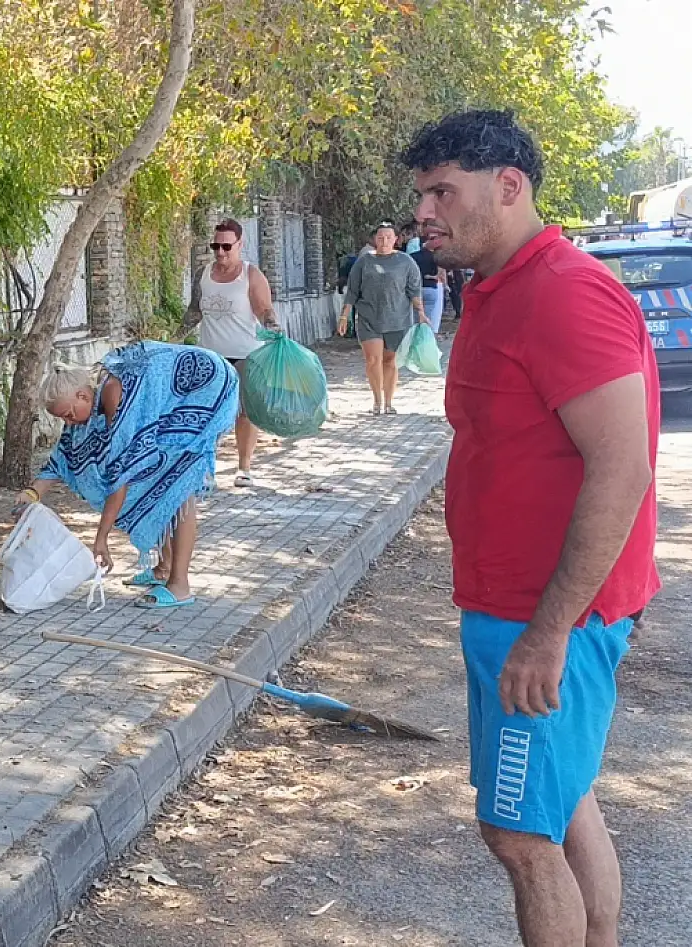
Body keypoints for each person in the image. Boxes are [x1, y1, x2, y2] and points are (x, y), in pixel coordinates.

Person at [405, 110, 659, 947]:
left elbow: (622, 467)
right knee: (568, 800)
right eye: (421, 195)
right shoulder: (501, 287)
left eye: (444, 191)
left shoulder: (564, 293)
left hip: (544, 618)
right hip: (512, 609)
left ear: (508, 187)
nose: (425, 213)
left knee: (519, 834)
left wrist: (549, 631)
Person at [16, 343, 239, 608]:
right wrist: (32, 494)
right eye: (63, 419)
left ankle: (180, 585)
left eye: (69, 415)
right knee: (158, 478)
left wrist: (101, 539)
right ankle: (164, 568)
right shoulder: (88, 408)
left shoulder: (114, 396)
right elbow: (62, 459)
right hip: (182, 392)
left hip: (205, 386)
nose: (69, 423)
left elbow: (121, 478)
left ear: (83, 396)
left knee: (177, 480)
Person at [190, 218, 279, 487]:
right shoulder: (203, 274)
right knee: (207, 412)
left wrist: (274, 327)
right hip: (211, 357)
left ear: (240, 244)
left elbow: (264, 310)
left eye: (226, 246)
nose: (220, 252)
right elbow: (194, 310)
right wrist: (172, 338)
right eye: (215, 246)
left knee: (245, 412)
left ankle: (244, 468)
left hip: (245, 354)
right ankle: (206, 469)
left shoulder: (251, 275)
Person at [338, 221, 426, 414]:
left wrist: (421, 312)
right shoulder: (364, 261)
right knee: (372, 359)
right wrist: (344, 316)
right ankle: (377, 401)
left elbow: (414, 290)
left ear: (396, 239)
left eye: (388, 237)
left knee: (390, 360)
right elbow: (352, 291)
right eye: (380, 237)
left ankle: (389, 402)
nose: (384, 241)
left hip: (398, 319)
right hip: (369, 318)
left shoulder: (406, 262)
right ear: (374, 239)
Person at [411, 240, 447, 333]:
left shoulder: (412, 256)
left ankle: (414, 338)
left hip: (416, 289)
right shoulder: (436, 258)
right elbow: (441, 275)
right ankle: (425, 338)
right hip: (431, 288)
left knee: (415, 317)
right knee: (428, 317)